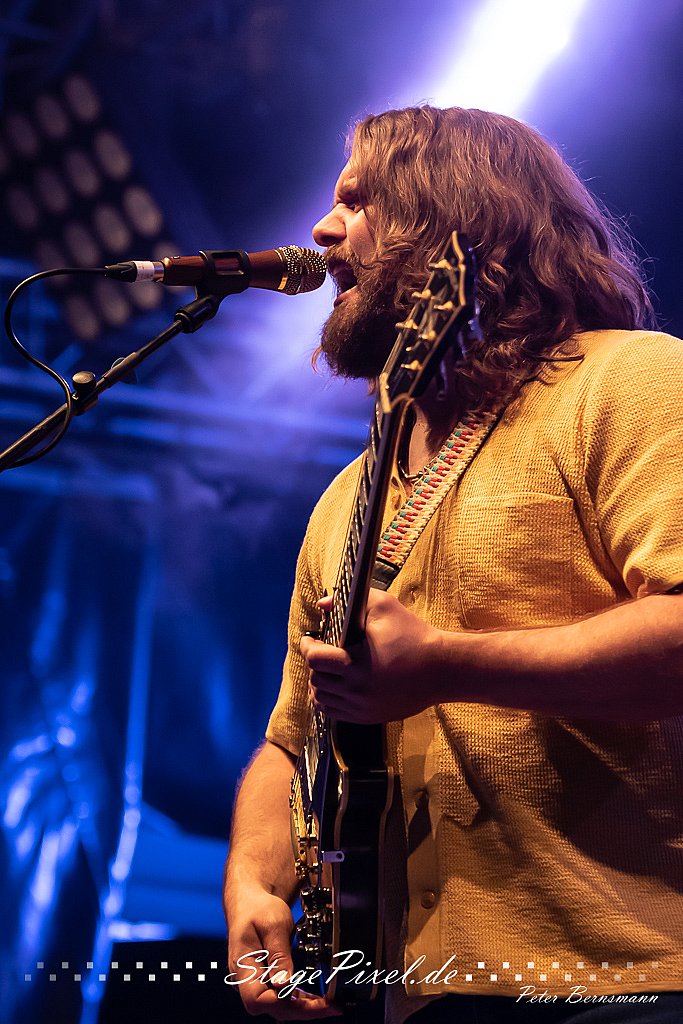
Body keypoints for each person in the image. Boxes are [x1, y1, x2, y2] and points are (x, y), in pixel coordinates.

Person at [223, 106, 683, 1024]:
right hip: (421, 992)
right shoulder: (346, 499)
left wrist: (446, 665)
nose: (321, 229)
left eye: (358, 200)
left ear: (455, 219)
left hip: (629, 977)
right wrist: (250, 883)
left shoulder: (631, 379)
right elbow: (293, 737)